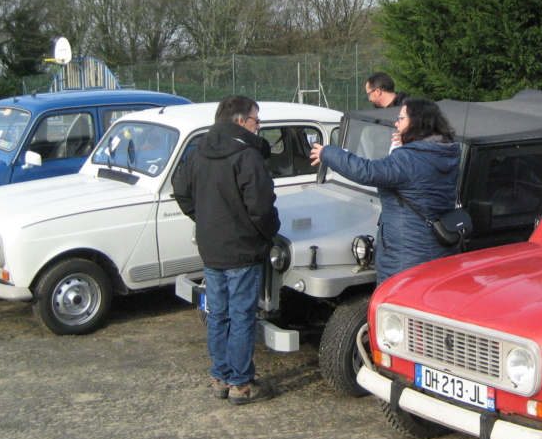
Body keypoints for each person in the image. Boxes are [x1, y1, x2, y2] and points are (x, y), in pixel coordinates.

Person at [173, 95, 280, 405]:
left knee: (217, 314)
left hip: (211, 246)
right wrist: (265, 233)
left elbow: (182, 193)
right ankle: (241, 384)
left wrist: (205, 220)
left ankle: (220, 376)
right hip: (242, 250)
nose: (259, 127)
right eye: (256, 120)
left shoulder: (197, 152)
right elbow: (261, 206)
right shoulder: (247, 155)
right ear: (240, 121)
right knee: (241, 315)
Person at [310, 97, 460, 284]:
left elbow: (367, 172)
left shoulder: (409, 160)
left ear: (417, 123)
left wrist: (328, 153)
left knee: (399, 304)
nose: (396, 123)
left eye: (401, 118)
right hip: (436, 246)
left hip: (408, 253)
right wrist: (406, 145)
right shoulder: (442, 152)